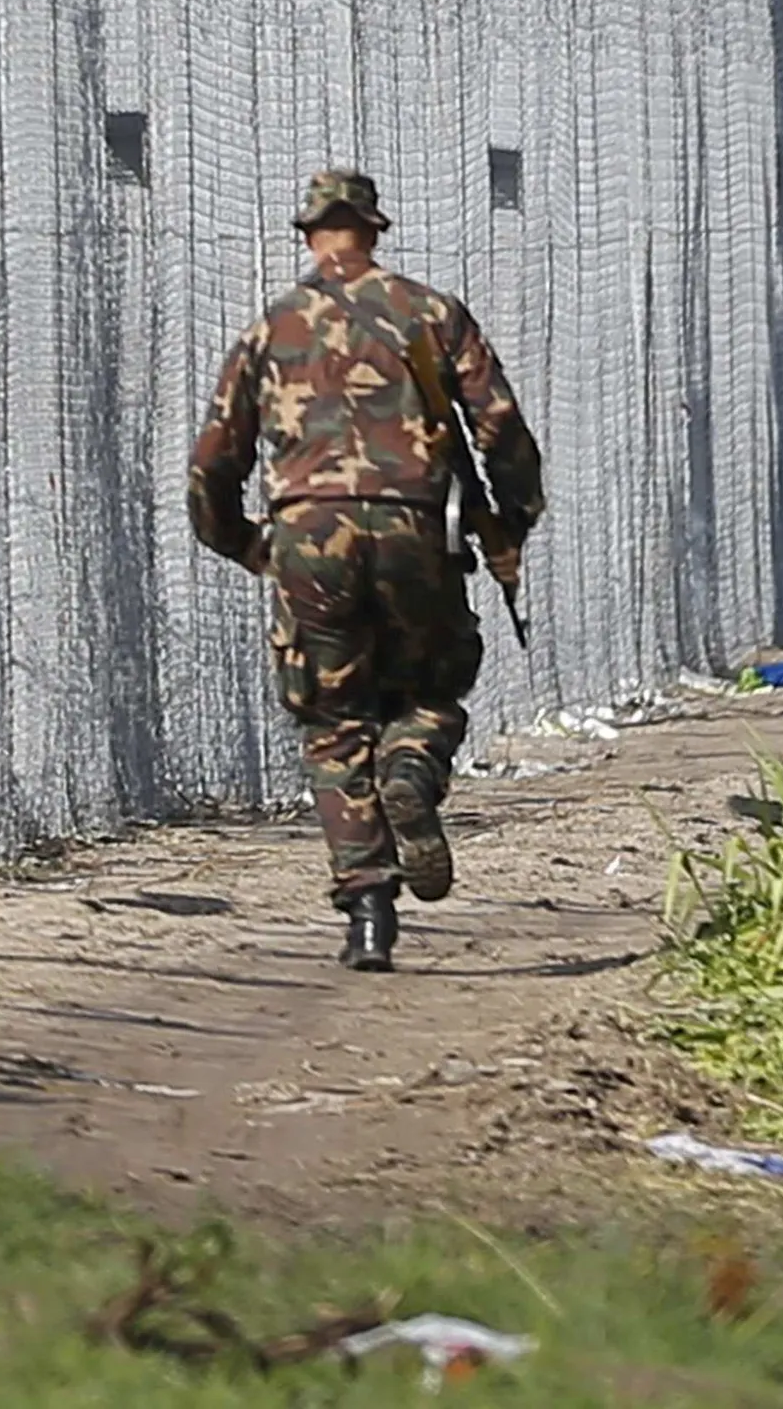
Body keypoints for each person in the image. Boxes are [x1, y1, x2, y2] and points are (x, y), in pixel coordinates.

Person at [186, 169, 545, 973]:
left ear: (310, 236)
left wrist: (242, 542)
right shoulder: (431, 314)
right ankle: (413, 766)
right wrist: (508, 523)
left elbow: (213, 461)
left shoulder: (271, 327)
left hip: (308, 534)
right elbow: (500, 429)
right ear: (373, 230)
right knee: (430, 685)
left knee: (333, 717)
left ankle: (370, 913)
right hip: (419, 528)